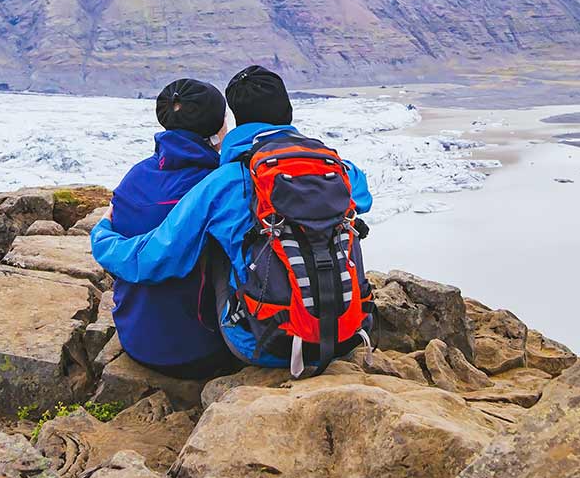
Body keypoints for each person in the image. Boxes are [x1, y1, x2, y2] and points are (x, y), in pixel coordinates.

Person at [91, 65, 373, 370]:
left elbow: (155, 257)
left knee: (217, 237)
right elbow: (363, 197)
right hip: (348, 332)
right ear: (288, 111)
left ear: (237, 120)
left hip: (266, 345)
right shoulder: (337, 169)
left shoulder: (225, 181)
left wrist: (102, 235)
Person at [103, 77, 236, 379]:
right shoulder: (218, 185)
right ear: (218, 128)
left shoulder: (134, 178)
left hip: (135, 339)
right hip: (199, 352)